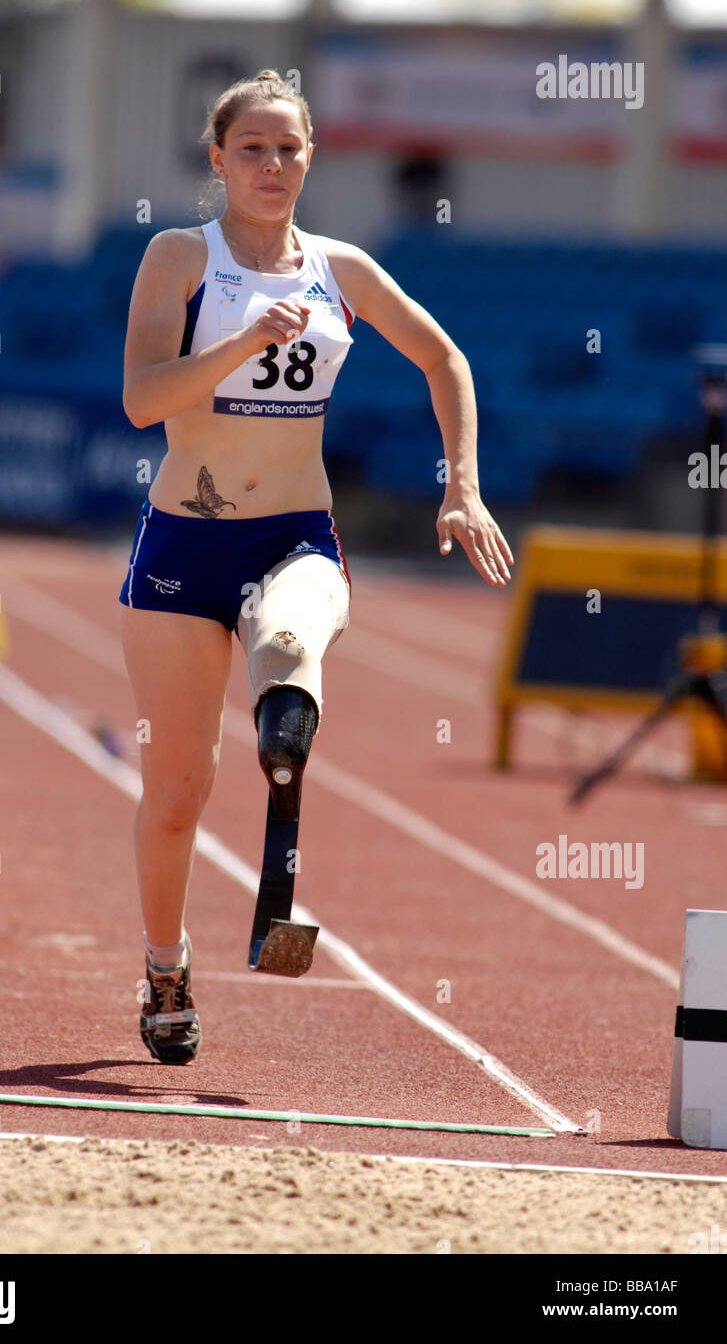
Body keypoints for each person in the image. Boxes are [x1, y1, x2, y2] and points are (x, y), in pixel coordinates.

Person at [119, 68, 513, 1065]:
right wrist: (243, 340)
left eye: (288, 148)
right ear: (216, 158)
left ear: (310, 158)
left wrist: (459, 483)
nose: (271, 165)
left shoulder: (342, 269)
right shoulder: (179, 257)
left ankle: (284, 710)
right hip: (182, 547)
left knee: (293, 633)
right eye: (250, 148)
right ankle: (166, 961)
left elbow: (445, 359)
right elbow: (141, 400)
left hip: (293, 530)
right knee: (174, 794)